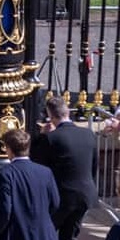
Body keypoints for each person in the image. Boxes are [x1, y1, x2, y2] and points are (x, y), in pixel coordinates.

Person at [34, 95, 97, 240]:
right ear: (67, 111)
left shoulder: (52, 138)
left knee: (43, 232)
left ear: (50, 115)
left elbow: (36, 162)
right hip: (85, 194)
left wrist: (42, 135)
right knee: (69, 235)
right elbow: (93, 165)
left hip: (62, 197)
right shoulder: (89, 134)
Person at [0, 129, 59, 240]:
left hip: (18, 233)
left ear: (9, 149)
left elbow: (5, 210)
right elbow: (55, 203)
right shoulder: (45, 171)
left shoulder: (5, 173)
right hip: (44, 233)